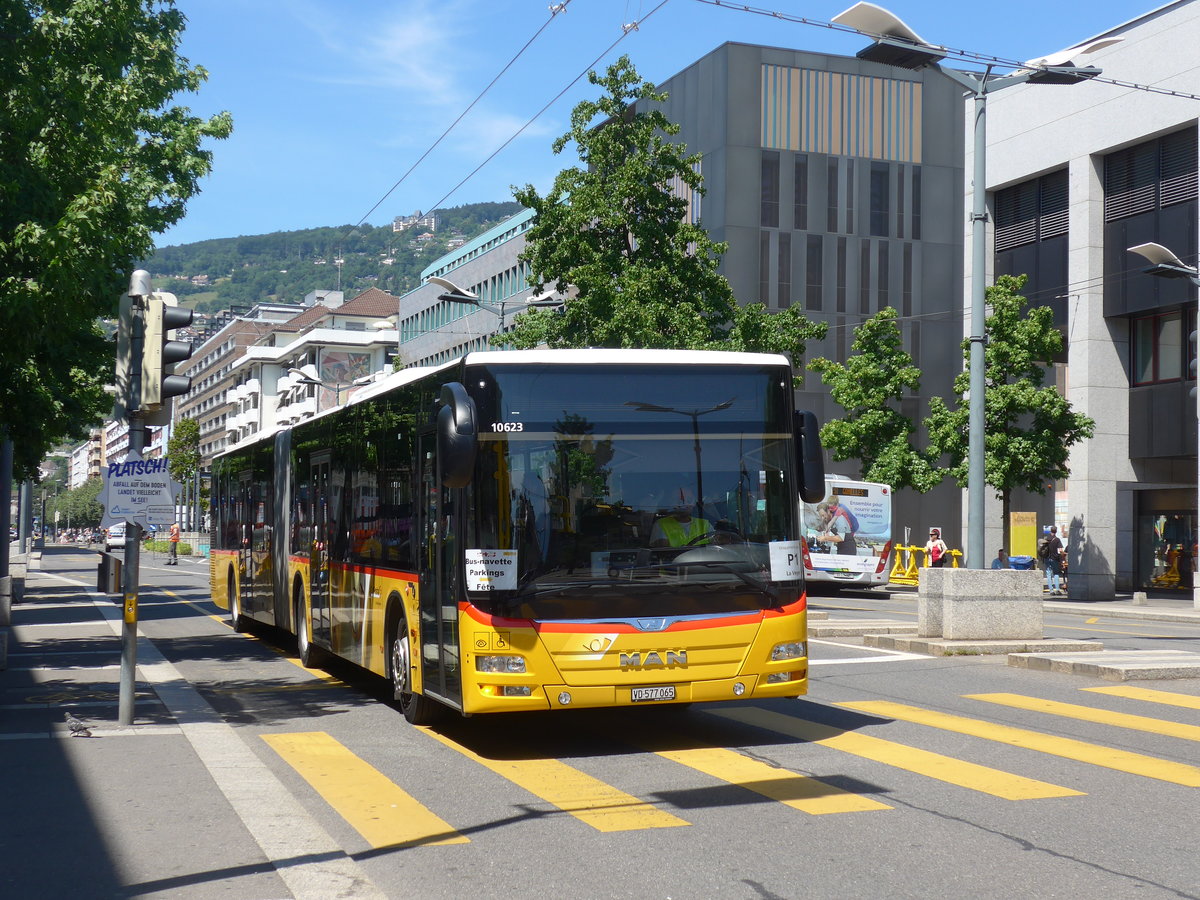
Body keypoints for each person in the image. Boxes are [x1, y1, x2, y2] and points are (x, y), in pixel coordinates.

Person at [1039, 525, 1064, 594]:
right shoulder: (1057, 540)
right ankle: (1057, 589)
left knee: (1048, 574)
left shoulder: (1046, 539)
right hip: (1054, 559)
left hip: (1047, 558)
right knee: (1056, 573)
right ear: (1056, 531)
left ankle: (1051, 590)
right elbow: (1060, 550)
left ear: (1050, 531)